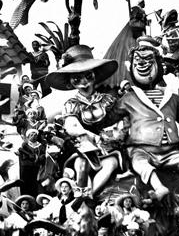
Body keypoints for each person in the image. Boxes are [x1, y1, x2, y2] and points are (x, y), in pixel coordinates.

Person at [112, 36, 179, 200]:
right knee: (140, 164)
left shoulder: (172, 99)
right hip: (142, 151)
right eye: (138, 62)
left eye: (149, 61)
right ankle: (160, 189)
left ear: (159, 65)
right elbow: (108, 118)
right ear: (131, 68)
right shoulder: (128, 99)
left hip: (171, 152)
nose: (143, 65)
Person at [46, 44, 123, 197]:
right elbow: (71, 125)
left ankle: (91, 196)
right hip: (83, 146)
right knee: (81, 164)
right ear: (70, 82)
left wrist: (115, 133)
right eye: (77, 78)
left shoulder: (108, 99)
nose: (84, 82)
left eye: (88, 76)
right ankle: (78, 197)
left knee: (111, 164)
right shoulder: (72, 104)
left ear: (95, 75)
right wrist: (90, 135)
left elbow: (120, 119)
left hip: (109, 146)